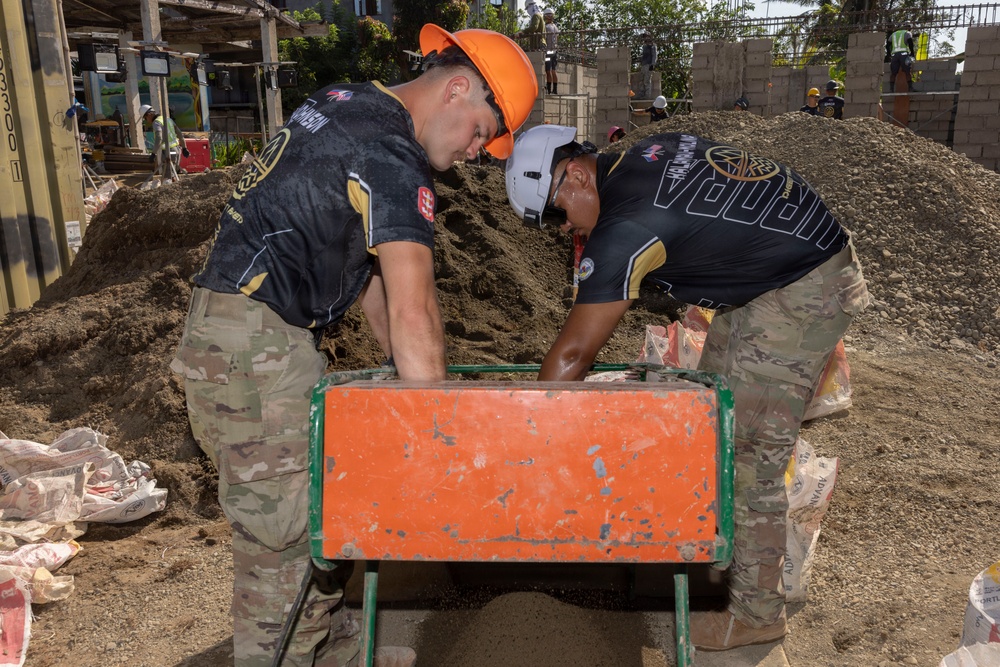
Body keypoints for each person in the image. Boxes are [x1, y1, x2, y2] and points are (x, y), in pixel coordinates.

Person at [170, 25, 536, 667]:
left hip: (242, 334)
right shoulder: (391, 151)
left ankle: (333, 647)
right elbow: (413, 300)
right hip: (257, 346)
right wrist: (437, 433)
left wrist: (400, 373)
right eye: (482, 129)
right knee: (281, 542)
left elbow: (368, 283)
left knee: (317, 507)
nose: (478, 151)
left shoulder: (344, 103)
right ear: (457, 89)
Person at [504, 124, 871, 652]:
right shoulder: (635, 155)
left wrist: (526, 449)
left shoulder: (625, 226)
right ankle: (724, 556)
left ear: (577, 175)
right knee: (713, 418)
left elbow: (572, 355)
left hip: (803, 287)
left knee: (749, 458)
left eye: (556, 215)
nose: (562, 230)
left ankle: (756, 614)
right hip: (775, 272)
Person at [140, 103, 189, 176]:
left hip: (167, 153)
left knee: (168, 177)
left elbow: (159, 137)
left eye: (145, 118)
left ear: (149, 114)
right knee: (174, 175)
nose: (146, 120)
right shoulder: (168, 119)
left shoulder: (156, 123)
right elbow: (179, 133)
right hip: (177, 151)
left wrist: (153, 153)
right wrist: (184, 148)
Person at [887, 25, 917, 93]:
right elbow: (910, 43)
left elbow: (887, 45)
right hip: (904, 55)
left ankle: (891, 89)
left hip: (894, 55)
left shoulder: (893, 34)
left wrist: (889, 54)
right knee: (907, 72)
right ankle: (910, 88)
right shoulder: (907, 33)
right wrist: (912, 53)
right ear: (909, 28)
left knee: (893, 73)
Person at [543, 7, 560, 94]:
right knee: (553, 70)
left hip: (548, 52)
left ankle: (549, 89)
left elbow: (543, 38)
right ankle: (555, 90)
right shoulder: (555, 27)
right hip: (555, 52)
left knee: (547, 70)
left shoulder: (546, 27)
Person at [637, 33, 657, 99]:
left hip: (648, 65)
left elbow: (654, 56)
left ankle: (647, 95)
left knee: (647, 81)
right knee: (641, 80)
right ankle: (641, 94)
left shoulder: (653, 46)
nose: (646, 39)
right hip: (644, 65)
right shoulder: (645, 46)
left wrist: (652, 65)